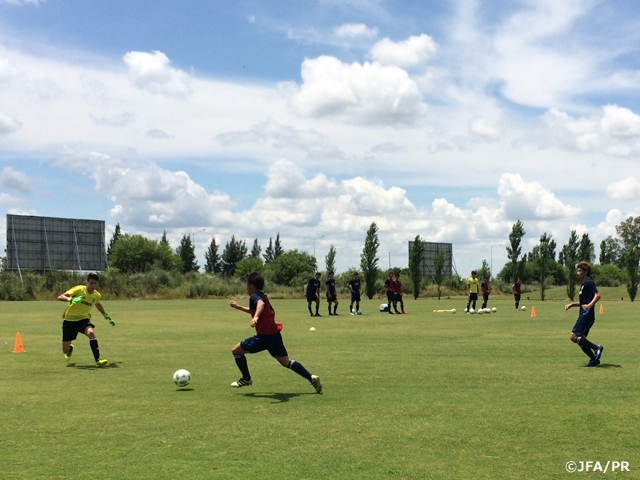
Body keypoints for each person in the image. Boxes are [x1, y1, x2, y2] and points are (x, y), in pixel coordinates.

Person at [229, 271, 322, 392]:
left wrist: (256, 317)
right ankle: (311, 377)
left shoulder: (255, 297)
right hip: (274, 335)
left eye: (247, 284)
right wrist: (239, 307)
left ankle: (246, 379)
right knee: (286, 362)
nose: (246, 286)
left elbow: (260, 305)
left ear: (252, 286)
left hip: (264, 337)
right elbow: (257, 308)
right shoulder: (262, 295)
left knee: (236, 351)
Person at [57, 272, 114, 366]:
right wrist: (71, 299)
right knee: (65, 350)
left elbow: (98, 304)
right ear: (86, 282)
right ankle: (70, 349)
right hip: (69, 320)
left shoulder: (97, 295)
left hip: (83, 319)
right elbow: (60, 297)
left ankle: (98, 360)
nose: (93, 285)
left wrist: (106, 316)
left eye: (95, 283)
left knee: (91, 333)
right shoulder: (79, 289)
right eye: (91, 283)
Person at [565, 262, 604, 367]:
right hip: (585, 314)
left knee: (573, 337)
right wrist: (572, 304)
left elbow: (597, 295)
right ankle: (594, 359)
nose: (577, 273)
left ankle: (597, 348)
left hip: (586, 315)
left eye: (580, 271)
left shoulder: (589, 283)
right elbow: (583, 303)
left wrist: (590, 305)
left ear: (586, 272)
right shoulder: (583, 285)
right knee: (581, 340)